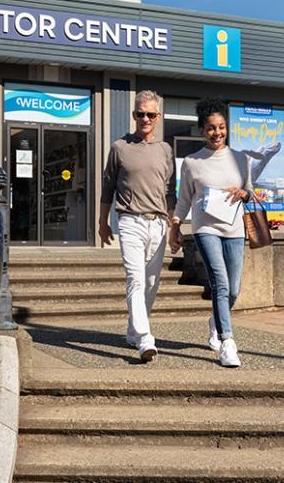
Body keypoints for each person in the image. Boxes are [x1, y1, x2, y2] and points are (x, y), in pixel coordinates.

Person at [168, 97, 253, 368]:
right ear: (202, 130)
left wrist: (244, 193)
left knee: (235, 288)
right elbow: (184, 199)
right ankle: (228, 342)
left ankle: (216, 320)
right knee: (221, 282)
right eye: (211, 128)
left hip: (235, 228)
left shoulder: (241, 159)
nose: (217, 133)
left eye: (221, 127)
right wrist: (176, 225)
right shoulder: (192, 162)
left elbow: (249, 191)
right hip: (205, 228)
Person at [99, 90, 176, 363]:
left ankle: (133, 330)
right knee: (136, 279)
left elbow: (170, 191)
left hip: (158, 224)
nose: (145, 118)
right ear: (134, 115)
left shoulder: (165, 150)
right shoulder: (120, 147)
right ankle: (145, 339)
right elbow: (107, 185)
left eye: (150, 114)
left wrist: (173, 224)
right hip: (130, 220)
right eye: (140, 113)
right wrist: (103, 222)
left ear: (158, 117)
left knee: (152, 282)